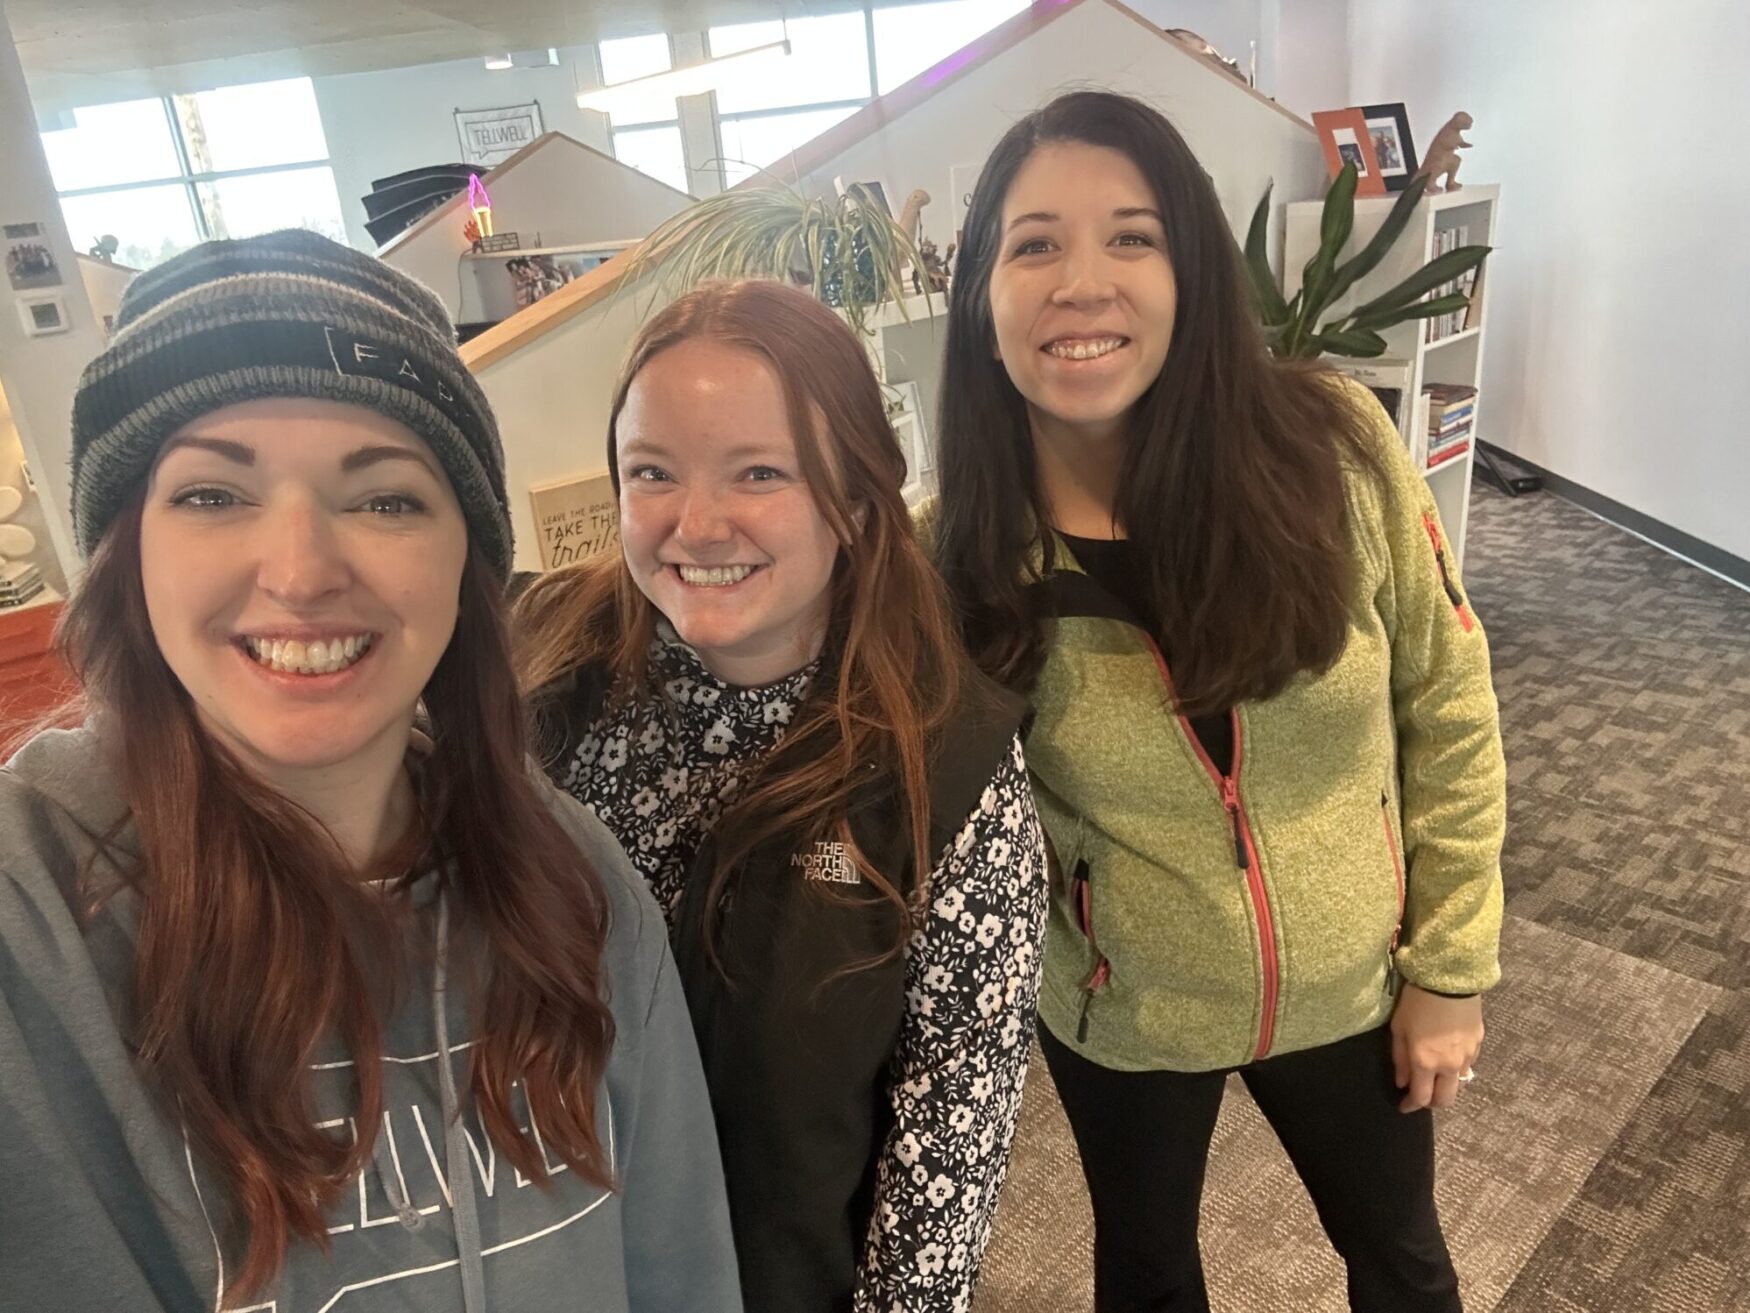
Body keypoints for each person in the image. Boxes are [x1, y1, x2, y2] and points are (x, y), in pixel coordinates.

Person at [0, 231, 740, 1313]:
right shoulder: (33, 926)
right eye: (213, 494)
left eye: (384, 497)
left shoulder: (570, 881)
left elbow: (679, 1266)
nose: (300, 569)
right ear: (130, 550)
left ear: (466, 560)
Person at [929, 91, 1506, 1312]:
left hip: (1353, 973)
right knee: (1145, 1267)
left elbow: (1446, 701)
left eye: (1131, 236)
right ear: (981, 301)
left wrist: (1448, 966)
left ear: (1190, 271)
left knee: (1399, 1258)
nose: (1083, 281)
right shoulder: (964, 554)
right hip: (1121, 1003)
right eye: (1034, 244)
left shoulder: (1334, 449)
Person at [514, 279, 1050, 1313]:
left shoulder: (949, 776)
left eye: (758, 471)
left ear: (852, 498)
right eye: (651, 473)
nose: (695, 523)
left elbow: (946, 1165)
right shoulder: (548, 690)